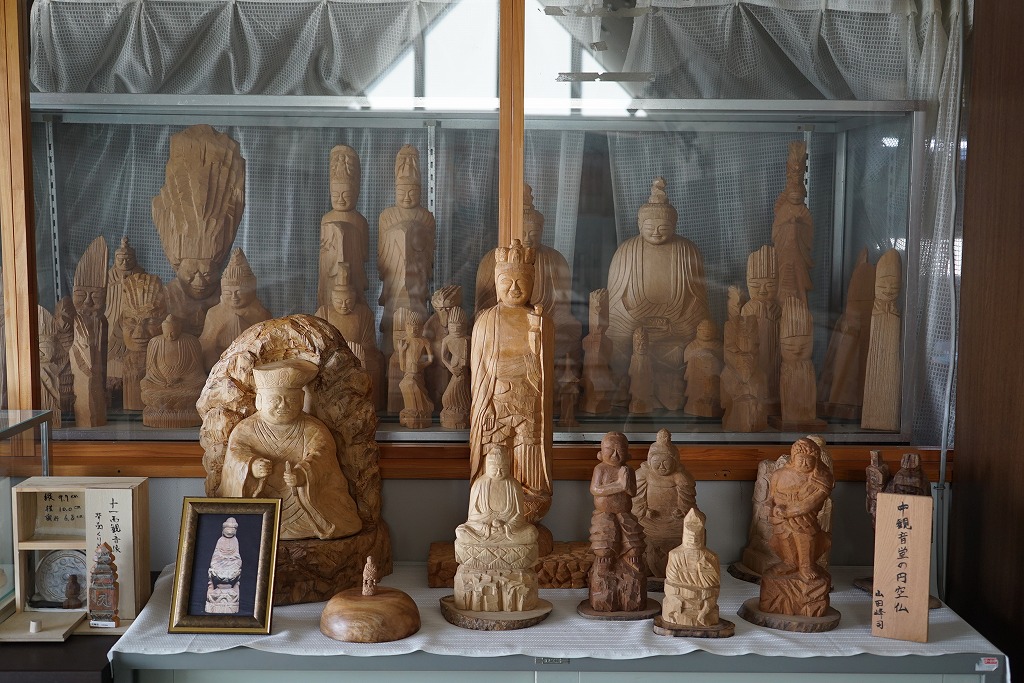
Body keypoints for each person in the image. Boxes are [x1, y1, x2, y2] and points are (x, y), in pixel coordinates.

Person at [219, 359, 362, 540]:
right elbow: (235, 456)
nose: (283, 406)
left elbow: (323, 457)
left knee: (333, 521)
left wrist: (303, 474)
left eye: (291, 400)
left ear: (301, 400)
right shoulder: (245, 429)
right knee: (250, 522)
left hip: (303, 508)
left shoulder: (314, 429)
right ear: (259, 401)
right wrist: (251, 466)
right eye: (275, 399)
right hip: (263, 506)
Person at [469, 239, 553, 524]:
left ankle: (527, 506)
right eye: (507, 282)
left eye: (522, 282)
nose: (514, 288)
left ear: (532, 284)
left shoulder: (538, 320)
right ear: (496, 283)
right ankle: (492, 507)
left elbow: (543, 369)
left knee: (527, 451)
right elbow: (480, 371)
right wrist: (485, 406)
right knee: (495, 452)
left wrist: (537, 335)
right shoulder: (486, 321)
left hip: (528, 401)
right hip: (494, 401)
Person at [606, 177, 709, 407]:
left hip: (676, 331)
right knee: (615, 345)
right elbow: (614, 304)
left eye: (663, 228)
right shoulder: (626, 251)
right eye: (650, 228)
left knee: (699, 348)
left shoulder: (687, 251)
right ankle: (627, 392)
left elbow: (698, 303)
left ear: (674, 226)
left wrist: (676, 325)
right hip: (633, 328)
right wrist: (634, 323)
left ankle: (673, 393)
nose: (656, 233)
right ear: (639, 224)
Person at [767, 438, 834, 580]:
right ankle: (789, 562)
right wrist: (773, 508)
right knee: (782, 537)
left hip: (804, 517)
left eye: (808, 460)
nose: (804, 464)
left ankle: (806, 566)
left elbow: (810, 503)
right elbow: (771, 497)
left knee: (804, 535)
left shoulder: (820, 478)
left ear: (816, 460)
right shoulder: (779, 474)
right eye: (800, 459)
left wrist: (788, 512)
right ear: (793, 458)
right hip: (780, 515)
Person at [199, 248, 272, 369]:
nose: (234, 297)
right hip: (220, 364)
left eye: (239, 292)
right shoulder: (214, 314)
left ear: (251, 290)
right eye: (228, 293)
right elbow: (206, 345)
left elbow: (268, 346)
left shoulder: (261, 314)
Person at [456, 445, 538, 546]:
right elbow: (472, 517)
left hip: (507, 531)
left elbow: (519, 516)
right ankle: (493, 543)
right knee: (461, 531)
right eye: (495, 469)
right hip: (484, 531)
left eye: (503, 469)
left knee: (532, 532)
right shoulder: (479, 484)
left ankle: (492, 543)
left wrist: (505, 527)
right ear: (487, 467)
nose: (499, 473)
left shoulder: (514, 485)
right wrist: (488, 527)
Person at [141, 315, 206, 428]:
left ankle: (172, 405)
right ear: (162, 329)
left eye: (173, 332)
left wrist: (181, 380)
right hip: (161, 385)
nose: (170, 336)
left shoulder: (191, 342)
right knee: (146, 389)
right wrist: (163, 382)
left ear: (179, 329)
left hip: (186, 386)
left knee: (200, 389)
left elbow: (197, 372)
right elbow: (151, 371)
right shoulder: (155, 342)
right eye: (167, 333)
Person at [206, 517, 242, 614]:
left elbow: (236, 554)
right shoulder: (220, 540)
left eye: (232, 529)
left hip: (231, 562)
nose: (230, 532)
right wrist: (222, 557)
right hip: (221, 561)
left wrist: (231, 558)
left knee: (238, 563)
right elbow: (216, 554)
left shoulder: (235, 540)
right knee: (214, 565)